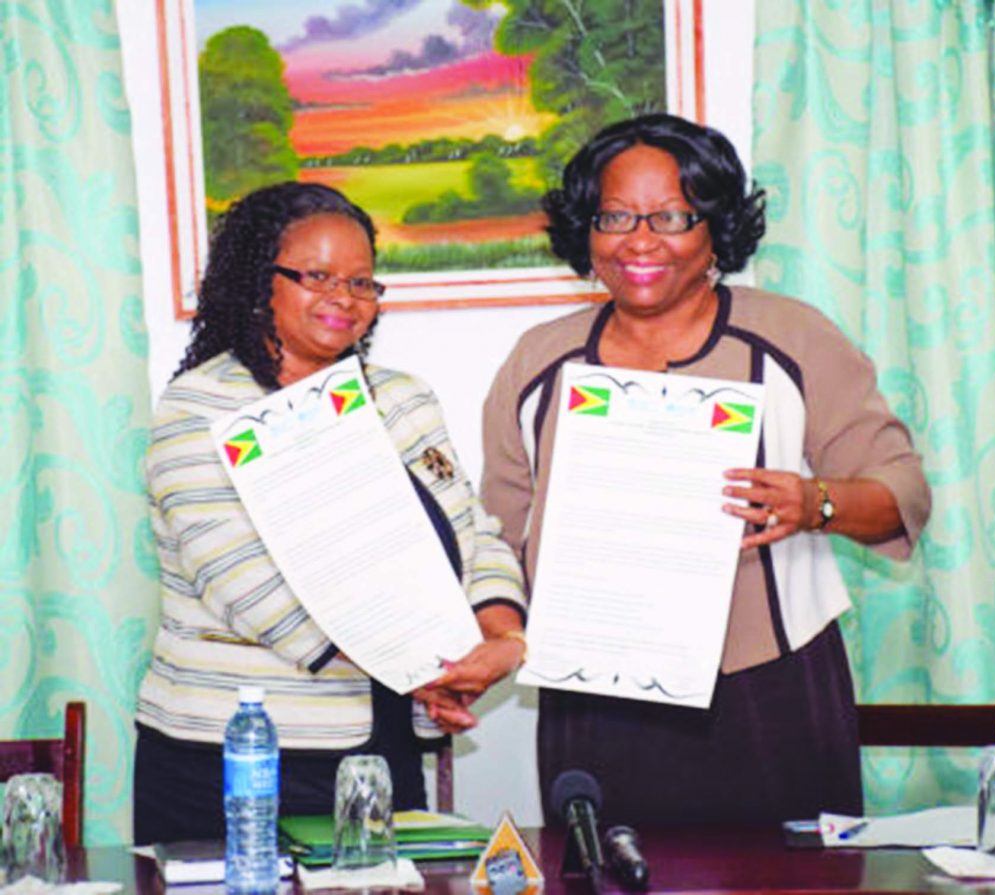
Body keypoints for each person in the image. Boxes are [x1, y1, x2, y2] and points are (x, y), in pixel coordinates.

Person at [480, 114, 931, 826]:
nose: (639, 239)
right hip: (594, 697)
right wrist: (497, 636)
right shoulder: (539, 361)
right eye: (615, 215)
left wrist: (815, 503)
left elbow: (901, 494)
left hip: (769, 690)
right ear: (585, 230)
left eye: (670, 216)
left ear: (715, 228)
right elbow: (496, 545)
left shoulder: (791, 336)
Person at [135, 182, 527, 844]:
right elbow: (249, 587)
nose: (344, 299)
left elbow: (473, 535)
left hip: (379, 748)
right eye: (317, 276)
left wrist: (502, 640)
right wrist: (428, 671)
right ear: (264, 281)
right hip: (229, 756)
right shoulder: (199, 409)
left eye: (363, 282)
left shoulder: (403, 400)